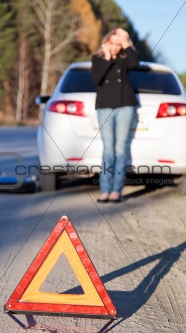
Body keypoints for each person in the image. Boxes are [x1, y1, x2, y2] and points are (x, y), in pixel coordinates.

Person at [91, 27, 138, 203]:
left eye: (118, 45)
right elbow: (97, 79)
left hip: (125, 105)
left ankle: (116, 190)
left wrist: (126, 42)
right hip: (104, 106)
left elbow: (135, 64)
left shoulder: (126, 58)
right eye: (112, 43)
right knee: (108, 149)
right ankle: (105, 190)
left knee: (120, 149)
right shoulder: (98, 58)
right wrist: (107, 58)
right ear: (106, 42)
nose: (115, 47)